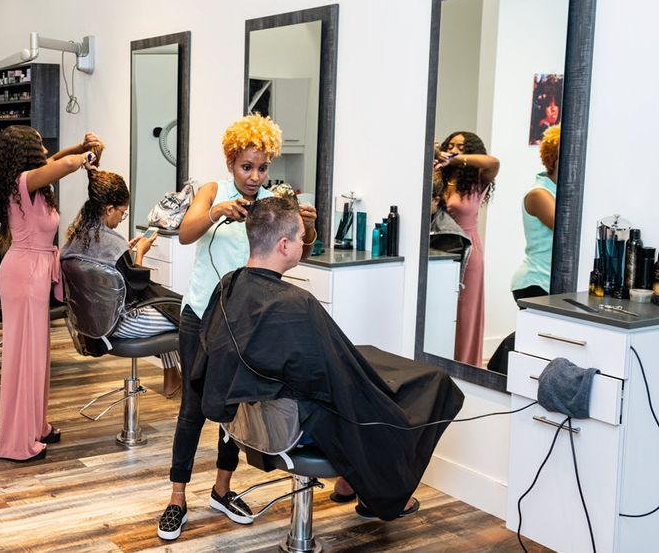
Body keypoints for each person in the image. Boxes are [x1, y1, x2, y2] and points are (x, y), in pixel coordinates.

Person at [193, 196, 465, 521]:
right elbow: (338, 380)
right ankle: (385, 495)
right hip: (292, 427)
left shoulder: (229, 286)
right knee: (421, 387)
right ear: (283, 245)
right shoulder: (295, 305)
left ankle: (352, 480)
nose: (303, 242)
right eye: (299, 238)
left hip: (251, 418)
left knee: (369, 366)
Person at [156, 113, 318, 540]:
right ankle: (176, 497)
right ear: (231, 162)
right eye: (247, 167)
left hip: (244, 320)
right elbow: (186, 233)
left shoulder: (271, 201)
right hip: (200, 315)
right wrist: (215, 212)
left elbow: (298, 244)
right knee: (193, 407)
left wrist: (310, 222)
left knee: (236, 405)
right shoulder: (212, 190)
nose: (255, 176)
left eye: (262, 167)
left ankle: (222, 489)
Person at [0, 125, 103, 462]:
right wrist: (86, 156)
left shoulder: (30, 182)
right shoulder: (23, 182)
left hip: (34, 272)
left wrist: (80, 146)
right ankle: (16, 442)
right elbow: (64, 165)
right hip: (24, 273)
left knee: (37, 354)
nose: (44, 148)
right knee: (23, 356)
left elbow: (57, 159)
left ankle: (35, 425)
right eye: (38, 143)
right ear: (25, 150)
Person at [60, 170, 183, 396]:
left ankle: (172, 377)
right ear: (109, 209)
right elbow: (135, 292)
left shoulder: (78, 236)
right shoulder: (114, 244)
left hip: (92, 323)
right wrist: (139, 254)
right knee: (185, 317)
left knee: (167, 307)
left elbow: (105, 272)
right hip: (121, 323)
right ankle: (190, 387)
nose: (121, 219)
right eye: (122, 213)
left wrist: (125, 250)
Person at [489, 125, 560, 374]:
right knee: (538, 341)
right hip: (534, 281)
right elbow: (564, 228)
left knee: (544, 343)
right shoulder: (539, 194)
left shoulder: (560, 192)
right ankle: (502, 373)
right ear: (555, 158)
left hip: (551, 282)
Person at [434, 131, 499, 367]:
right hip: (439, 248)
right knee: (442, 308)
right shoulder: (442, 177)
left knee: (465, 312)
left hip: (468, 250)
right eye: (451, 145)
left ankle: (464, 364)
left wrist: (455, 158)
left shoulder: (478, 179)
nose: (454, 149)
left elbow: (493, 162)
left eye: (461, 147)